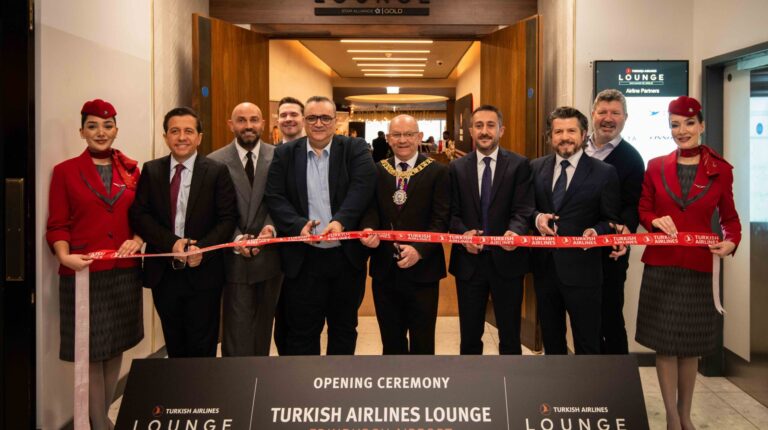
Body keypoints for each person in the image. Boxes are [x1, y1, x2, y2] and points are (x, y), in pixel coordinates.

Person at [636, 96, 740, 430]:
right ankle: (671, 416)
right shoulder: (655, 166)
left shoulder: (720, 170)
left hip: (698, 268)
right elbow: (644, 208)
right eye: (675, 125)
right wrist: (654, 221)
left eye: (689, 123)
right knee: (666, 345)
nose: (682, 131)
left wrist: (731, 242)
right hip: (662, 266)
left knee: (690, 346)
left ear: (701, 126)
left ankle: (685, 414)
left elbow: (730, 219)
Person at [46, 99, 144, 430]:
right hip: (84, 273)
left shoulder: (131, 170)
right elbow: (57, 224)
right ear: (81, 132)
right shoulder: (65, 172)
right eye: (92, 126)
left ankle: (101, 418)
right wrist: (63, 256)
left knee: (115, 346)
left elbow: (142, 216)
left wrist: (139, 238)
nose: (100, 132)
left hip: (123, 272)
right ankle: (100, 423)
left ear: (116, 130)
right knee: (90, 352)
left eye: (107, 126)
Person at [265, 95, 377, 355]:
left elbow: (363, 187)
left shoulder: (355, 148)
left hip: (345, 258)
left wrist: (340, 221)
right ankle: (307, 383)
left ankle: (337, 381)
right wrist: (298, 225)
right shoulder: (284, 154)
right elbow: (275, 196)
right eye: (312, 118)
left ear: (335, 121)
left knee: (344, 329)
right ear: (304, 121)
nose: (318, 123)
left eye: (325, 118)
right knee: (302, 331)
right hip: (303, 260)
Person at [129, 106, 236, 358]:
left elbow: (227, 220)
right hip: (164, 274)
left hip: (204, 273)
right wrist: (172, 243)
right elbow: (140, 215)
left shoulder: (216, 171)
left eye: (188, 131)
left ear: (199, 137)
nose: (181, 137)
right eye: (174, 131)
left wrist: (202, 249)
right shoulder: (152, 170)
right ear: (165, 136)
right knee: (174, 343)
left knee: (203, 346)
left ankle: (202, 386)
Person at [531, 106, 622, 355]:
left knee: (587, 343)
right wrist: (537, 218)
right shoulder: (535, 168)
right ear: (550, 136)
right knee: (552, 342)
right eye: (558, 131)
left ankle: (587, 383)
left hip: (584, 273)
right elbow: (526, 209)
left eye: (571, 131)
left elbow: (611, 220)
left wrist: (596, 231)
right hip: (545, 271)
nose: (565, 137)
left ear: (583, 135)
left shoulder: (604, 173)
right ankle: (556, 381)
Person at [359, 114, 450, 354]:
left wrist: (419, 250)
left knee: (423, 343)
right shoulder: (378, 170)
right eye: (397, 135)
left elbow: (441, 220)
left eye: (409, 134)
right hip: (385, 270)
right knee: (391, 343)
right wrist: (369, 229)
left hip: (424, 271)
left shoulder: (438, 172)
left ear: (419, 137)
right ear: (388, 139)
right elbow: (370, 210)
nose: (402, 140)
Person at [448, 105, 535, 355]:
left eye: (490, 125)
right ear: (470, 131)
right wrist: (463, 234)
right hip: (469, 262)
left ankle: (510, 379)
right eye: (479, 126)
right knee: (469, 336)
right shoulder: (456, 168)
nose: (484, 131)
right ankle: (472, 379)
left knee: (510, 335)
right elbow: (450, 214)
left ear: (501, 130)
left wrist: (515, 232)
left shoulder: (519, 165)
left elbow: (524, 209)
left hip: (507, 261)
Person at [208, 102, 282, 356]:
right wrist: (236, 237)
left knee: (263, 330)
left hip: (270, 257)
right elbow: (213, 211)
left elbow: (285, 200)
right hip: (233, 259)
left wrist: (270, 228)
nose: (248, 126)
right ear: (231, 125)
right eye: (241, 120)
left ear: (263, 123)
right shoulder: (215, 161)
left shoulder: (279, 157)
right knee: (235, 334)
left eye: (254, 120)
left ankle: (259, 380)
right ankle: (236, 381)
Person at [586, 89, 645, 354]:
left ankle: (615, 376)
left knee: (610, 316)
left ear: (625, 118)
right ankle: (588, 372)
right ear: (592, 115)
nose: (608, 118)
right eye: (602, 112)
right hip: (576, 251)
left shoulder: (631, 158)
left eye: (615, 113)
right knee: (584, 319)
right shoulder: (576, 149)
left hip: (610, 251)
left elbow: (633, 204)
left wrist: (625, 232)